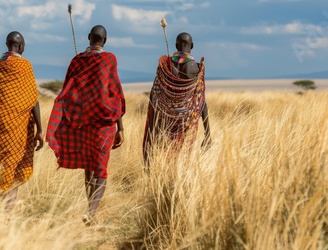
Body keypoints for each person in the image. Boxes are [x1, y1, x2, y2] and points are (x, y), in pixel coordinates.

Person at [46, 25, 126, 225]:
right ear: (105, 40)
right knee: (100, 168)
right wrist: (121, 127)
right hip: (103, 123)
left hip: (82, 122)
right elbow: (115, 93)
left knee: (89, 168)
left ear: (89, 37)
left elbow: (67, 91)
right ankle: (91, 212)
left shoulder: (77, 60)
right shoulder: (109, 59)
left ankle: (91, 210)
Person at [0, 31, 44, 212]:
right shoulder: (25, 66)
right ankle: (7, 212)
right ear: (20, 46)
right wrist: (40, 130)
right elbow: (33, 100)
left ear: (6, 44)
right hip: (16, 131)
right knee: (12, 169)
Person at [142, 32, 211, 170]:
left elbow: (154, 94)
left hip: (164, 119)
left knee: (164, 153)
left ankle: (163, 180)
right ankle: (177, 183)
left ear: (176, 46)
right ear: (192, 46)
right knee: (182, 158)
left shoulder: (165, 67)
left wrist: (152, 124)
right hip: (185, 121)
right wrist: (208, 132)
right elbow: (200, 100)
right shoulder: (194, 67)